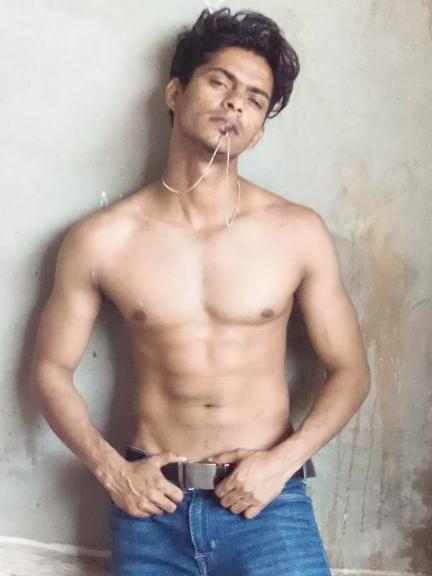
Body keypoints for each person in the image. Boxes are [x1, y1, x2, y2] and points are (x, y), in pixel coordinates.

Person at [30, 7, 370, 575]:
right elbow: (49, 368)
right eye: (220, 82)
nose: (235, 103)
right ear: (175, 93)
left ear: (259, 131)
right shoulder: (102, 239)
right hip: (150, 504)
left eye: (255, 99)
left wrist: (282, 462)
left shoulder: (298, 232)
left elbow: (351, 371)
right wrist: (113, 472)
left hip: (267, 501)